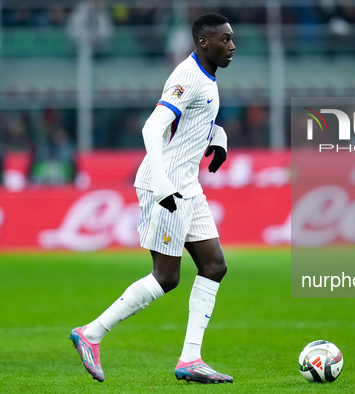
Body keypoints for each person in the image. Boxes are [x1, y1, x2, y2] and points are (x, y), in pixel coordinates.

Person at [69, 13, 235, 384]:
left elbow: (190, 123)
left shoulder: (207, 77)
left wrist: (218, 137)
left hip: (188, 185)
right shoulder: (188, 78)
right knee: (166, 277)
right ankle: (90, 334)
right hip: (167, 187)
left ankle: (191, 359)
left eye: (232, 38)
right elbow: (153, 127)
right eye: (225, 39)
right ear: (203, 43)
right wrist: (162, 185)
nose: (232, 45)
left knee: (214, 266)